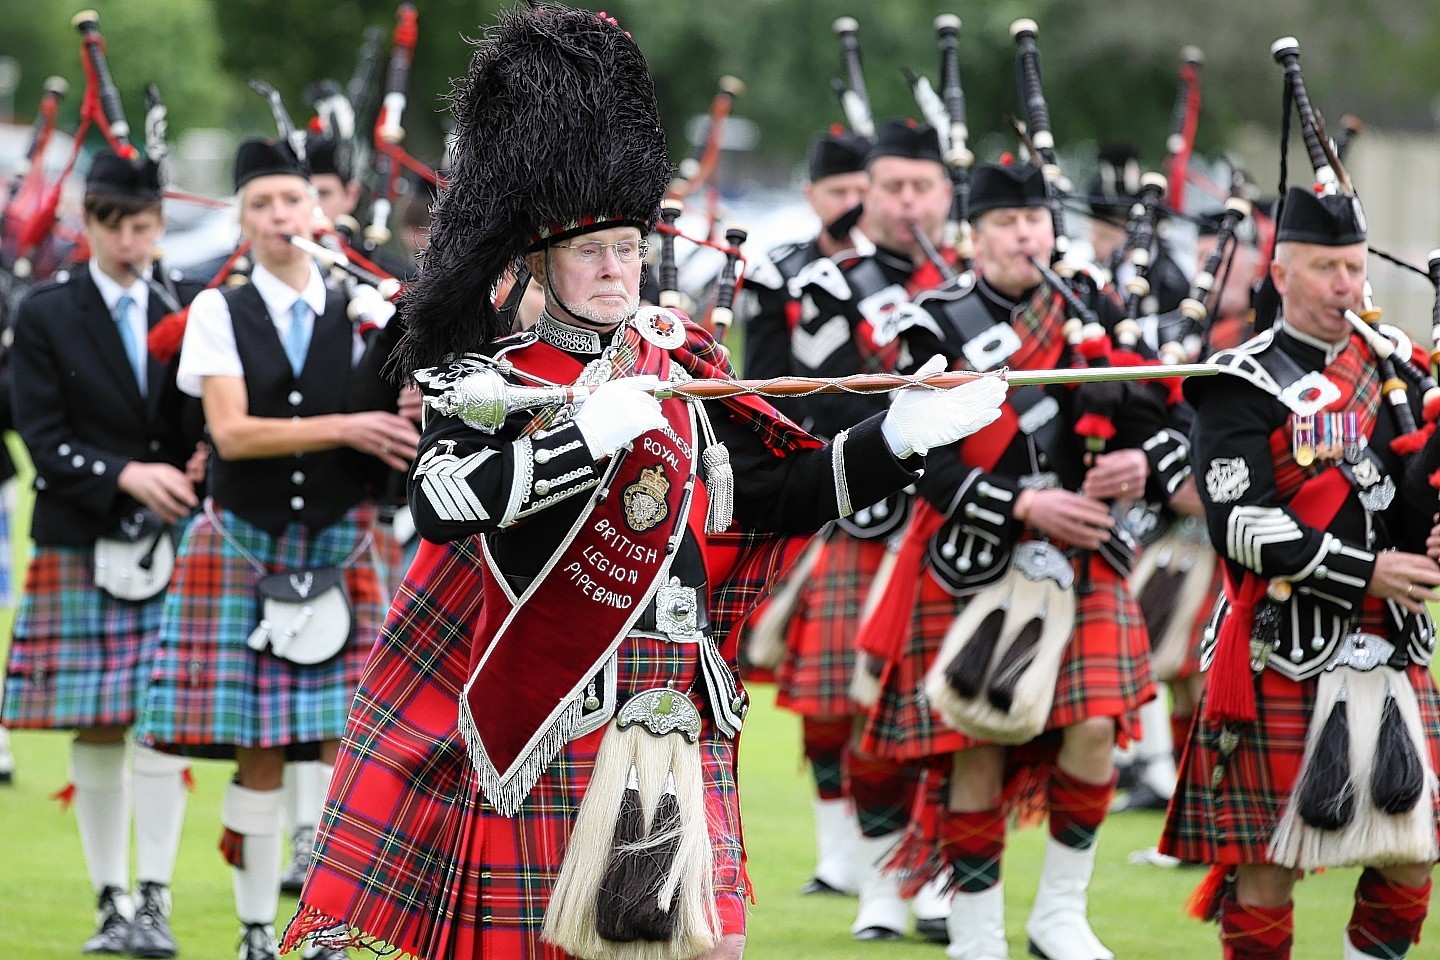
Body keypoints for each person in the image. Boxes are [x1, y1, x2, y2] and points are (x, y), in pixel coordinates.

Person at [281, 8, 1006, 960]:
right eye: (592, 251)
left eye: (628, 247)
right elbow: (442, 503)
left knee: (710, 945)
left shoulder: (681, 362)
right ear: (540, 261)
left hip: (674, 696)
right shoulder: (489, 379)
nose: (618, 269)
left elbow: (767, 495)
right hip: (558, 699)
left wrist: (897, 435)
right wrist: (579, 438)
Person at [856, 161, 1190, 960]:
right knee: (977, 741)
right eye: (1007, 222)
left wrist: (1141, 469)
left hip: (1083, 560)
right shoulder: (935, 324)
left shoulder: (1099, 309)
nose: (1025, 234)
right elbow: (919, 462)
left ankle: (1059, 917)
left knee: (1096, 732)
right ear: (974, 236)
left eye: (1036, 219)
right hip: (977, 560)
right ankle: (976, 936)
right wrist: (1022, 504)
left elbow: (1169, 420)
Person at [133, 135, 420, 960]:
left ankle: (324, 926)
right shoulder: (219, 310)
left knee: (344, 751)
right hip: (244, 541)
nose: (276, 216)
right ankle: (259, 929)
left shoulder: (366, 309)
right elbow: (228, 431)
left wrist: (407, 406)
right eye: (259, 204)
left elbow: (406, 406)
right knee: (259, 753)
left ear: (320, 210)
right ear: (241, 219)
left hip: (342, 537)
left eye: (290, 200)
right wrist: (349, 425)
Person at [1159, 186, 1440, 959]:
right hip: (1280, 647)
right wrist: (1366, 574)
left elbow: (1409, 514)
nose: (1344, 285)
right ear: (1281, 274)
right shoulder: (1238, 383)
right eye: (1324, 268)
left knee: (1412, 856)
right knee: (1268, 868)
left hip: (1393, 648)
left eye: (1353, 267)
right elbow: (1241, 526)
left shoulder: (1400, 378)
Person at [2, 150, 205, 958]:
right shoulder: (46, 312)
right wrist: (127, 474)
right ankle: (108, 900)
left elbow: (207, 413)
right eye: (118, 227)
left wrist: (199, 458)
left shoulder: (189, 301)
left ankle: (153, 898)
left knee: (160, 726)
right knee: (96, 726)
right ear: (87, 224)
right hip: (82, 533)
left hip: (172, 542)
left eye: (146, 227)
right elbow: (41, 439)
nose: (134, 242)